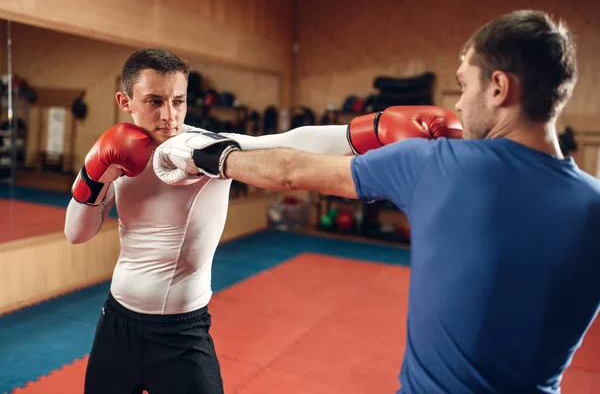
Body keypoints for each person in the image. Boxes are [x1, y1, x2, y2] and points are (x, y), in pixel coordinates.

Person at [154, 10, 600, 394]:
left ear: (499, 87)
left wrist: (204, 154)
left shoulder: (436, 164)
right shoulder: (593, 206)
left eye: (465, 84)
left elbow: (291, 170)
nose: (459, 103)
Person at [64, 48, 459, 394]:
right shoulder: (111, 153)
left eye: (178, 101)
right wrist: (94, 175)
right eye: (155, 101)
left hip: (179, 334)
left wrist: (374, 129)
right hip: (116, 322)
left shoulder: (201, 146)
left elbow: (291, 141)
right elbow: (77, 233)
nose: (170, 116)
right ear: (125, 100)